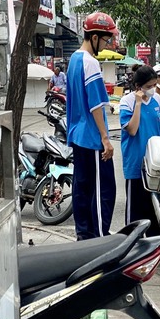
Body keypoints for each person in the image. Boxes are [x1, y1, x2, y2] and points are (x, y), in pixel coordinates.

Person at [66, 12, 118, 240]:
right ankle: (98, 238)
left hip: (78, 135)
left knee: (83, 190)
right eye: (106, 40)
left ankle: (84, 237)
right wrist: (105, 139)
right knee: (103, 191)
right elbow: (96, 105)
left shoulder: (73, 60)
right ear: (94, 36)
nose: (107, 44)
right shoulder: (91, 63)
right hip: (92, 138)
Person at [119, 65, 160, 237]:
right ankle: (132, 246)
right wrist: (138, 103)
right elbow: (131, 129)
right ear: (138, 87)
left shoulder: (157, 101)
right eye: (149, 86)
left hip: (156, 162)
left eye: (154, 85)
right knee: (136, 210)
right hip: (136, 161)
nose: (153, 89)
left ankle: (154, 246)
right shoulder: (127, 102)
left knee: (156, 208)